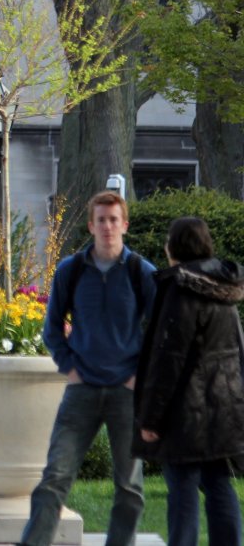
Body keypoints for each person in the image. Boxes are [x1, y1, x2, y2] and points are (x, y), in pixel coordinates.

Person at [19, 190, 157, 546]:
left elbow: (160, 335)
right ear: (91, 225)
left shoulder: (142, 272)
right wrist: (70, 368)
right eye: (101, 220)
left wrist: (137, 376)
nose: (108, 227)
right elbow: (51, 329)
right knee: (54, 478)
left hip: (126, 393)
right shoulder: (72, 270)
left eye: (114, 220)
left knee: (130, 488)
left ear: (124, 224)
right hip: (81, 390)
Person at [134, 217, 244, 546]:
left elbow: (169, 360)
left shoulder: (181, 291)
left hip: (186, 412)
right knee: (218, 483)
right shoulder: (225, 292)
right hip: (223, 408)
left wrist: (151, 418)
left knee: (182, 487)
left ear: (176, 246)